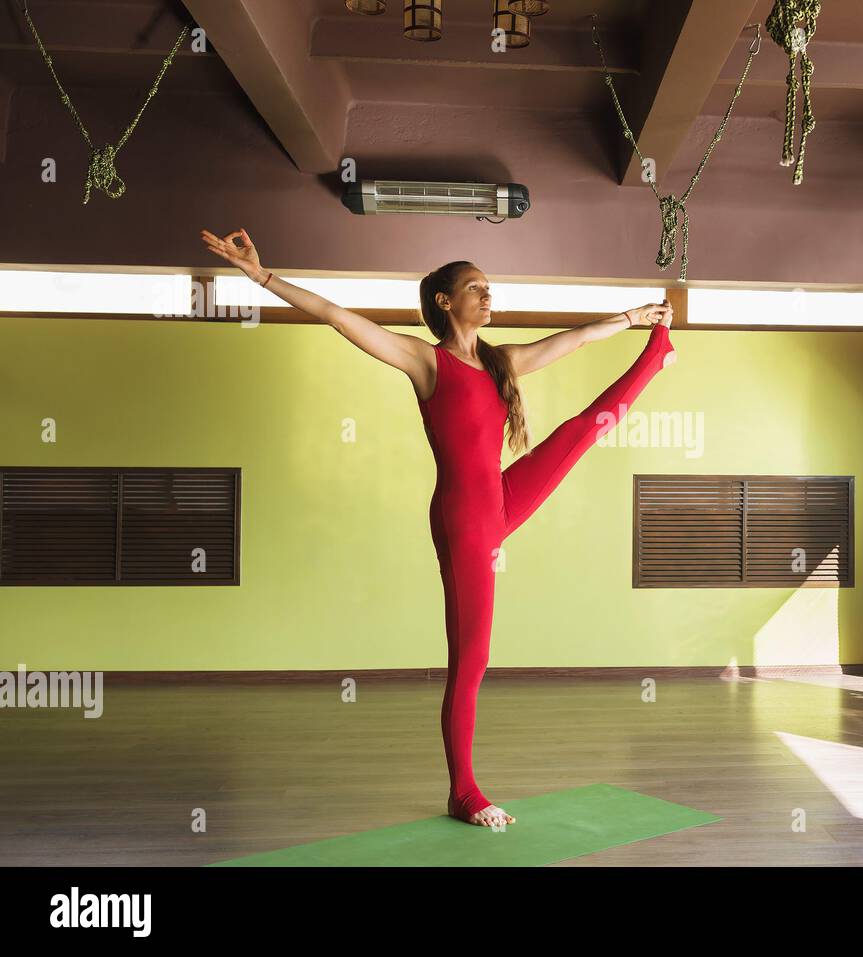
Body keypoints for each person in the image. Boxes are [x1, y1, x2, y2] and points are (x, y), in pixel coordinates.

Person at [200, 229, 677, 827]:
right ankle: (463, 792)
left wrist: (633, 319)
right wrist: (261, 276)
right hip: (463, 518)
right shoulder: (427, 361)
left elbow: (572, 341)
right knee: (472, 659)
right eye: (474, 287)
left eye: (488, 286)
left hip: (498, 499)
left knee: (582, 429)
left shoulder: (501, 361)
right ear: (445, 302)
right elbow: (338, 317)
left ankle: (657, 355)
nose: (487, 294)